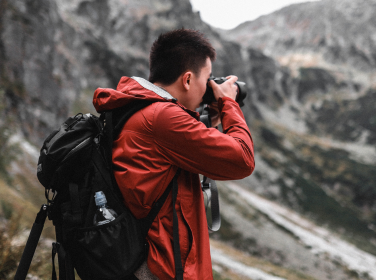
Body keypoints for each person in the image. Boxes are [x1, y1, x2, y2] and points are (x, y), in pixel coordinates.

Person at [92, 29, 255, 280]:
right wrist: (228, 104)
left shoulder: (141, 109)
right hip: (163, 271)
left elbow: (180, 145)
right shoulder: (162, 117)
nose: (209, 87)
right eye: (208, 78)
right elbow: (242, 159)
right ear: (188, 79)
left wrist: (209, 118)